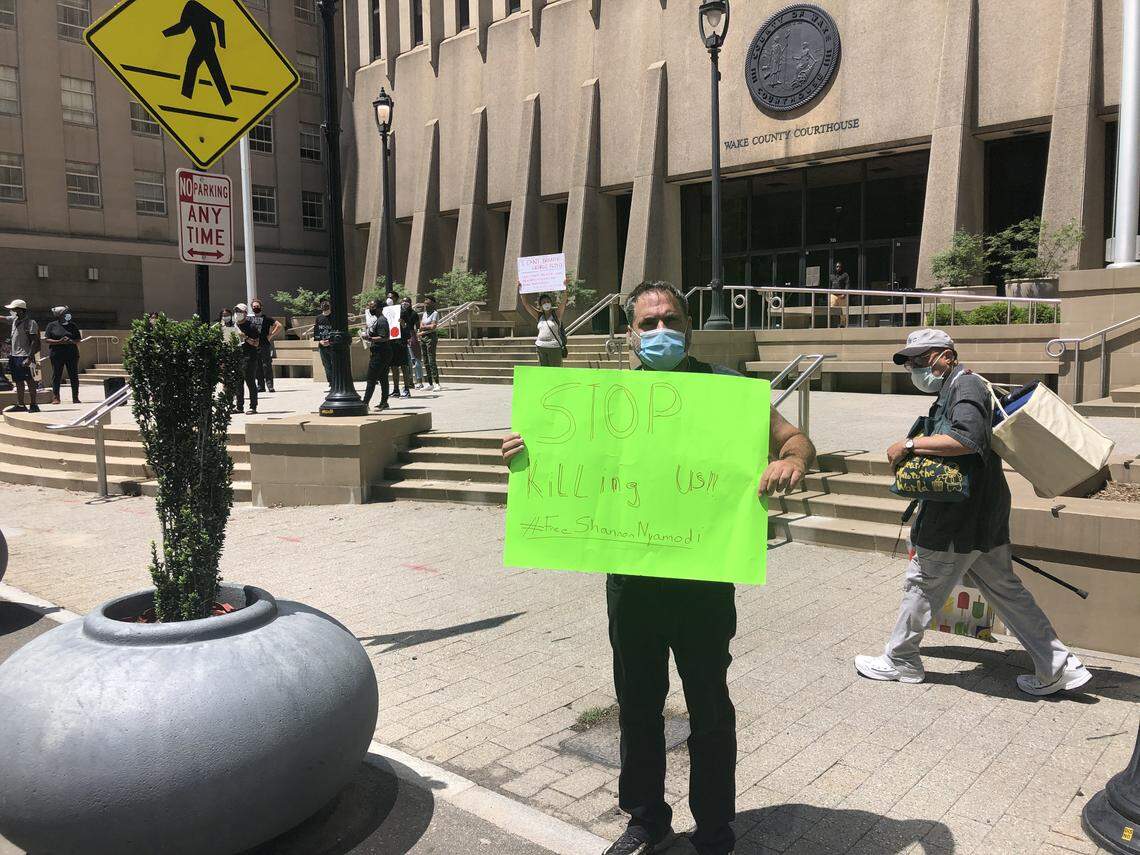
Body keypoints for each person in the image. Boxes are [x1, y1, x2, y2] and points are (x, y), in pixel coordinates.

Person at [502, 281, 816, 855]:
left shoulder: (726, 393)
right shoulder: (601, 396)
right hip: (633, 582)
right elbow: (561, 452)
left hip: (703, 583)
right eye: (647, 324)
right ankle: (646, 820)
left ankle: (716, 827)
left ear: (689, 325)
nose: (659, 332)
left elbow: (796, 438)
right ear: (630, 333)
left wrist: (790, 460)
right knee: (638, 706)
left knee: (710, 709)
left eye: (669, 320)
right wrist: (528, 447)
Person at [855, 328, 1092, 696]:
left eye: (923, 358)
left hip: (957, 520)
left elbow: (966, 440)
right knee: (1007, 592)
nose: (916, 367)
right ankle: (1058, 665)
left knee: (922, 582)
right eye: (911, 363)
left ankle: (901, 659)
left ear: (947, 355)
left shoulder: (965, 388)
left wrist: (910, 443)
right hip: (983, 518)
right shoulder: (962, 386)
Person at [5, 299, 40, 413]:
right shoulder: (14, 320)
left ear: (20, 310)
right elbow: (3, 318)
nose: (11, 311)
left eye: (13, 309)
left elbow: (35, 341)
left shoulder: (30, 323)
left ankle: (34, 404)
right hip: (14, 356)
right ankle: (21, 404)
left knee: (29, 380)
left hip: (25, 356)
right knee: (18, 381)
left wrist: (30, 358)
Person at [43, 306, 81, 405]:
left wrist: (71, 341)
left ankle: (75, 397)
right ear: (60, 315)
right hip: (57, 354)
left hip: (71, 354)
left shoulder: (72, 326)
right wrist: (59, 341)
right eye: (65, 313)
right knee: (57, 375)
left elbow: (78, 339)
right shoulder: (51, 325)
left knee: (73, 375)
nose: (68, 314)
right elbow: (47, 339)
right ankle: (56, 397)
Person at [361, 299, 391, 411]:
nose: (370, 309)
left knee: (371, 378)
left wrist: (369, 338)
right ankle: (384, 402)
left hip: (380, 353)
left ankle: (365, 403)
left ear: (379, 308)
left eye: (373, 306)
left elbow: (384, 337)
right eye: (369, 306)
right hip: (382, 352)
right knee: (383, 378)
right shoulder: (378, 320)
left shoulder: (382, 320)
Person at [520, 290, 564, 367]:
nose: (546, 303)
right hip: (541, 348)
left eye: (548, 301)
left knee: (555, 373)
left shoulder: (556, 314)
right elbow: (526, 304)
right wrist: (522, 290)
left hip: (554, 348)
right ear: (540, 306)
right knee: (544, 373)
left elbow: (563, 302)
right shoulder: (539, 316)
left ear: (551, 303)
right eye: (543, 302)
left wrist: (565, 287)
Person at [248, 298, 282, 393]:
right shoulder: (250, 319)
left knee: (267, 365)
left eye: (257, 306)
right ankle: (260, 386)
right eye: (254, 307)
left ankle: (270, 385)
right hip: (254, 345)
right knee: (257, 366)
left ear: (261, 307)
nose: (255, 308)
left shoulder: (267, 318)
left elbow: (279, 325)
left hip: (264, 345)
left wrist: (271, 335)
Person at [232, 303, 259, 414]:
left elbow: (256, 343)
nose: (237, 314)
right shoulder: (233, 326)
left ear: (245, 313)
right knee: (238, 383)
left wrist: (245, 337)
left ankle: (253, 406)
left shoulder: (251, 326)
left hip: (250, 357)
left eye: (240, 312)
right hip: (237, 356)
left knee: (250, 382)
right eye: (236, 311)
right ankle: (239, 407)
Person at [387, 292, 413, 398]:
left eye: (391, 297)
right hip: (391, 341)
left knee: (404, 366)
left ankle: (406, 389)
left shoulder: (402, 311)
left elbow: (408, 327)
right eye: (387, 297)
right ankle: (396, 389)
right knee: (393, 367)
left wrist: (403, 324)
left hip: (400, 342)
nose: (388, 299)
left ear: (396, 299)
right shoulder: (386, 311)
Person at [419, 295, 442, 391]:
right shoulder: (424, 313)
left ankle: (437, 383)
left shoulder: (435, 313)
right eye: (425, 302)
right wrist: (426, 326)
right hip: (423, 337)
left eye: (427, 302)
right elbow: (421, 325)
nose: (425, 303)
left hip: (431, 338)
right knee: (425, 361)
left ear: (432, 303)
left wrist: (425, 327)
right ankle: (430, 383)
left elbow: (433, 327)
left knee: (431, 360)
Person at [402, 297, 425, 390]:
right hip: (402, 337)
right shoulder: (400, 313)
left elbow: (418, 327)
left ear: (410, 303)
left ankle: (419, 381)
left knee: (416, 359)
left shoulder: (413, 313)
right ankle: (410, 382)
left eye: (406, 301)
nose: (404, 303)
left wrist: (418, 335)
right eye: (403, 301)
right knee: (406, 362)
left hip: (411, 336)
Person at [313, 300, 335, 388]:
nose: (325, 307)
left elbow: (336, 331)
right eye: (323, 306)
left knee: (335, 364)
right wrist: (320, 341)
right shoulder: (318, 318)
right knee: (326, 365)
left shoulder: (334, 317)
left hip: (332, 345)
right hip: (322, 345)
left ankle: (335, 382)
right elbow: (316, 331)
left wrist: (330, 341)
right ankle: (331, 382)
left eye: (326, 305)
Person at [828, 261, 849, 328]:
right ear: (835, 267)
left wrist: (844, 294)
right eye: (837, 266)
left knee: (843, 311)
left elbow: (847, 285)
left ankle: (843, 324)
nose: (838, 268)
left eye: (839, 266)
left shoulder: (845, 275)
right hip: (833, 295)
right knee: (832, 309)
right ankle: (833, 324)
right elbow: (829, 285)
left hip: (841, 296)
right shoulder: (831, 275)